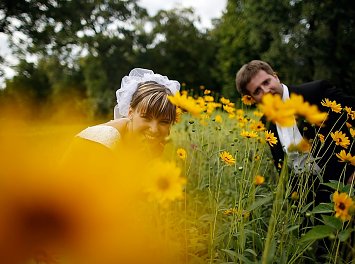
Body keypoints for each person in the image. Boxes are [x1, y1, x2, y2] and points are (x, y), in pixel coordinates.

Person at [235, 60, 355, 204]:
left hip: (346, 185)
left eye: (266, 82)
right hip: (306, 201)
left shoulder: (316, 92)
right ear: (253, 99)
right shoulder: (266, 122)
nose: (265, 91)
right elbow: (282, 167)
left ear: (276, 77)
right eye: (257, 91)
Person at [64, 68, 180, 164]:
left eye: (164, 121)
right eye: (146, 118)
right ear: (130, 112)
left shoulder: (147, 146)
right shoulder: (105, 139)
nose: (154, 129)